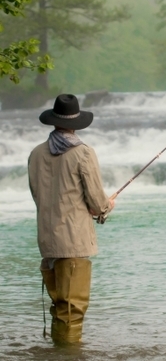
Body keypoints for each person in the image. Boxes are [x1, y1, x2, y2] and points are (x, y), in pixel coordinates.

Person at [28, 94, 115, 344]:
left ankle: (58, 353)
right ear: (77, 124)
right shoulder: (83, 153)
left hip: (47, 241)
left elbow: (39, 196)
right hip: (73, 242)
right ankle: (69, 355)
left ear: (54, 121)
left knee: (59, 308)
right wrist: (107, 206)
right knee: (72, 311)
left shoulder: (36, 154)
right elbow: (98, 204)